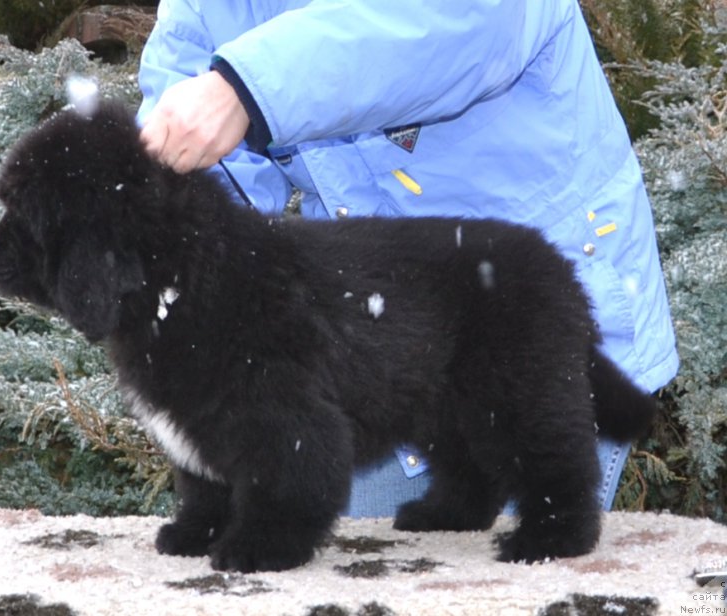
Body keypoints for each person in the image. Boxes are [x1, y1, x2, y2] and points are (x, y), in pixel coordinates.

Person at [135, 0, 679, 517]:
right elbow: (203, 177)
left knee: (530, 580)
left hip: (514, 321)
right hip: (373, 343)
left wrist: (245, 88)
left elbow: (467, 24)